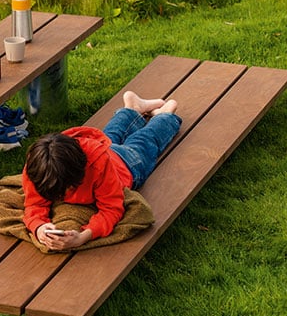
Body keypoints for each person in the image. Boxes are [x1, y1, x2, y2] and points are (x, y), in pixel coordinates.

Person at [22, 91, 182, 251]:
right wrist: (39, 228)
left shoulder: (97, 163)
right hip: (103, 149)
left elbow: (112, 208)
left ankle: (164, 115)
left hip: (126, 164)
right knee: (112, 135)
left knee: (144, 140)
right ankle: (132, 108)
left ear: (79, 174)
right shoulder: (37, 166)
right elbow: (34, 204)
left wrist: (83, 237)